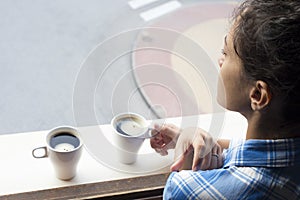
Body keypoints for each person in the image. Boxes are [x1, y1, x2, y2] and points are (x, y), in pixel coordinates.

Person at [150, 0, 300, 199]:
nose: (220, 61)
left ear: (257, 95)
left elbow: (185, 184)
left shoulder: (186, 190)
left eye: (226, 53)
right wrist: (203, 141)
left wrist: (183, 155)